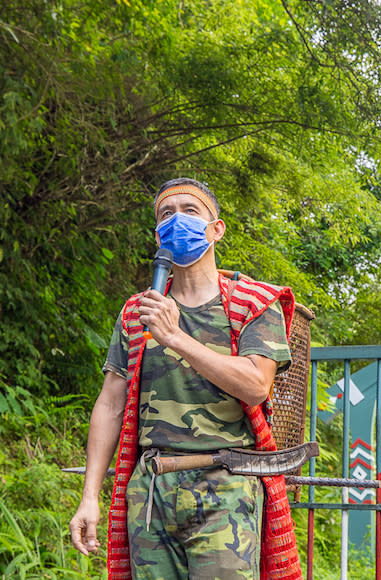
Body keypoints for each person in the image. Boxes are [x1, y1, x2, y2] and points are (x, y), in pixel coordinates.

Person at [69, 178, 302, 579]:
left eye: (190, 211)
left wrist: (175, 337)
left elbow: (255, 384)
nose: (177, 220)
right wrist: (89, 497)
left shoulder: (253, 303)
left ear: (217, 228)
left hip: (226, 487)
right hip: (151, 491)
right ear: (157, 233)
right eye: (166, 213)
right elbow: (110, 403)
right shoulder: (137, 311)